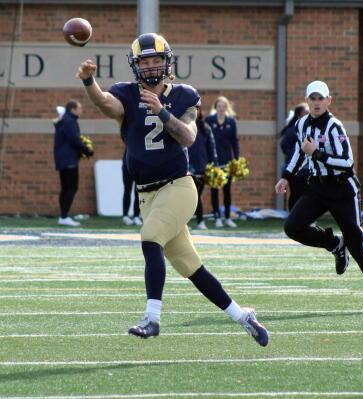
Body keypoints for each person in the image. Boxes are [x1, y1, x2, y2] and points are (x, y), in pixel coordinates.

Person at [76, 32, 268, 345]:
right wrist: (89, 82)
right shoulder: (126, 93)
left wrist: (162, 112)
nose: (151, 66)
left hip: (179, 187)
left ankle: (152, 318)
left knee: (150, 237)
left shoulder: (184, 95)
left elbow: (189, 136)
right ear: (136, 65)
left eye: (156, 60)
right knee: (192, 268)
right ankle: (242, 316)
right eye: (145, 61)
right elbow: (106, 105)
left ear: (167, 62)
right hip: (147, 196)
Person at [275, 80, 363, 312]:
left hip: (342, 189)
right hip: (317, 187)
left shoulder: (334, 126)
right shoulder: (301, 124)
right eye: (313, 98)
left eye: (321, 98)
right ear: (307, 101)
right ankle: (335, 245)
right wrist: (286, 176)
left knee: (357, 243)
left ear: (329, 100)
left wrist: (317, 153)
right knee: (293, 226)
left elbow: (347, 163)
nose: (317, 102)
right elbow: (300, 154)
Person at [53, 99, 93, 227]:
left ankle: (63, 216)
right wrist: (87, 150)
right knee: (71, 188)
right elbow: (74, 139)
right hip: (68, 160)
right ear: (73, 109)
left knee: (66, 189)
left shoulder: (66, 120)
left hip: (64, 159)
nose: (81, 110)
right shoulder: (69, 121)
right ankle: (64, 216)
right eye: (79, 108)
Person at [206, 96, 239, 228]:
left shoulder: (231, 122)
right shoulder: (209, 121)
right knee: (214, 190)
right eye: (219, 106)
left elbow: (234, 142)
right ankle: (217, 217)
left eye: (223, 106)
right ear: (215, 107)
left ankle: (227, 217)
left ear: (226, 108)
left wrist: (236, 158)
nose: (221, 108)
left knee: (227, 190)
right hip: (213, 161)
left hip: (227, 160)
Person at [189, 108, 218, 230]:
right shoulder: (182, 125)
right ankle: (186, 222)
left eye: (196, 110)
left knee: (196, 195)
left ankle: (200, 221)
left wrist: (213, 165)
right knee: (189, 195)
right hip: (186, 167)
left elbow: (212, 148)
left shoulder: (205, 128)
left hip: (202, 168)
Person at [280, 102, 309, 210]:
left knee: (307, 195)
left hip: (308, 168)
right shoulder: (293, 130)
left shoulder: (310, 129)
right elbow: (284, 144)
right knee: (296, 193)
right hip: (296, 169)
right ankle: (292, 215)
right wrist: (293, 157)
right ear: (299, 115)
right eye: (305, 112)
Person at [121, 148, 142, 226]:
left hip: (138, 167)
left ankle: (136, 216)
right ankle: (125, 215)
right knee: (127, 190)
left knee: (138, 192)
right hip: (127, 167)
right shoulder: (130, 140)